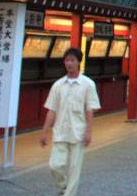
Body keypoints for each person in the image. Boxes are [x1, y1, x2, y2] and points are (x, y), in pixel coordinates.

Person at [40, 47, 101, 196]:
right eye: (67, 60)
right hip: (60, 131)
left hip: (78, 132)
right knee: (55, 165)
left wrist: (88, 131)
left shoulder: (88, 84)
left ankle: (69, 194)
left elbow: (90, 109)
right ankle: (63, 187)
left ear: (79, 62)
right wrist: (44, 131)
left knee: (74, 169)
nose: (69, 63)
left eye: (72, 60)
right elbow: (51, 110)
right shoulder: (58, 85)